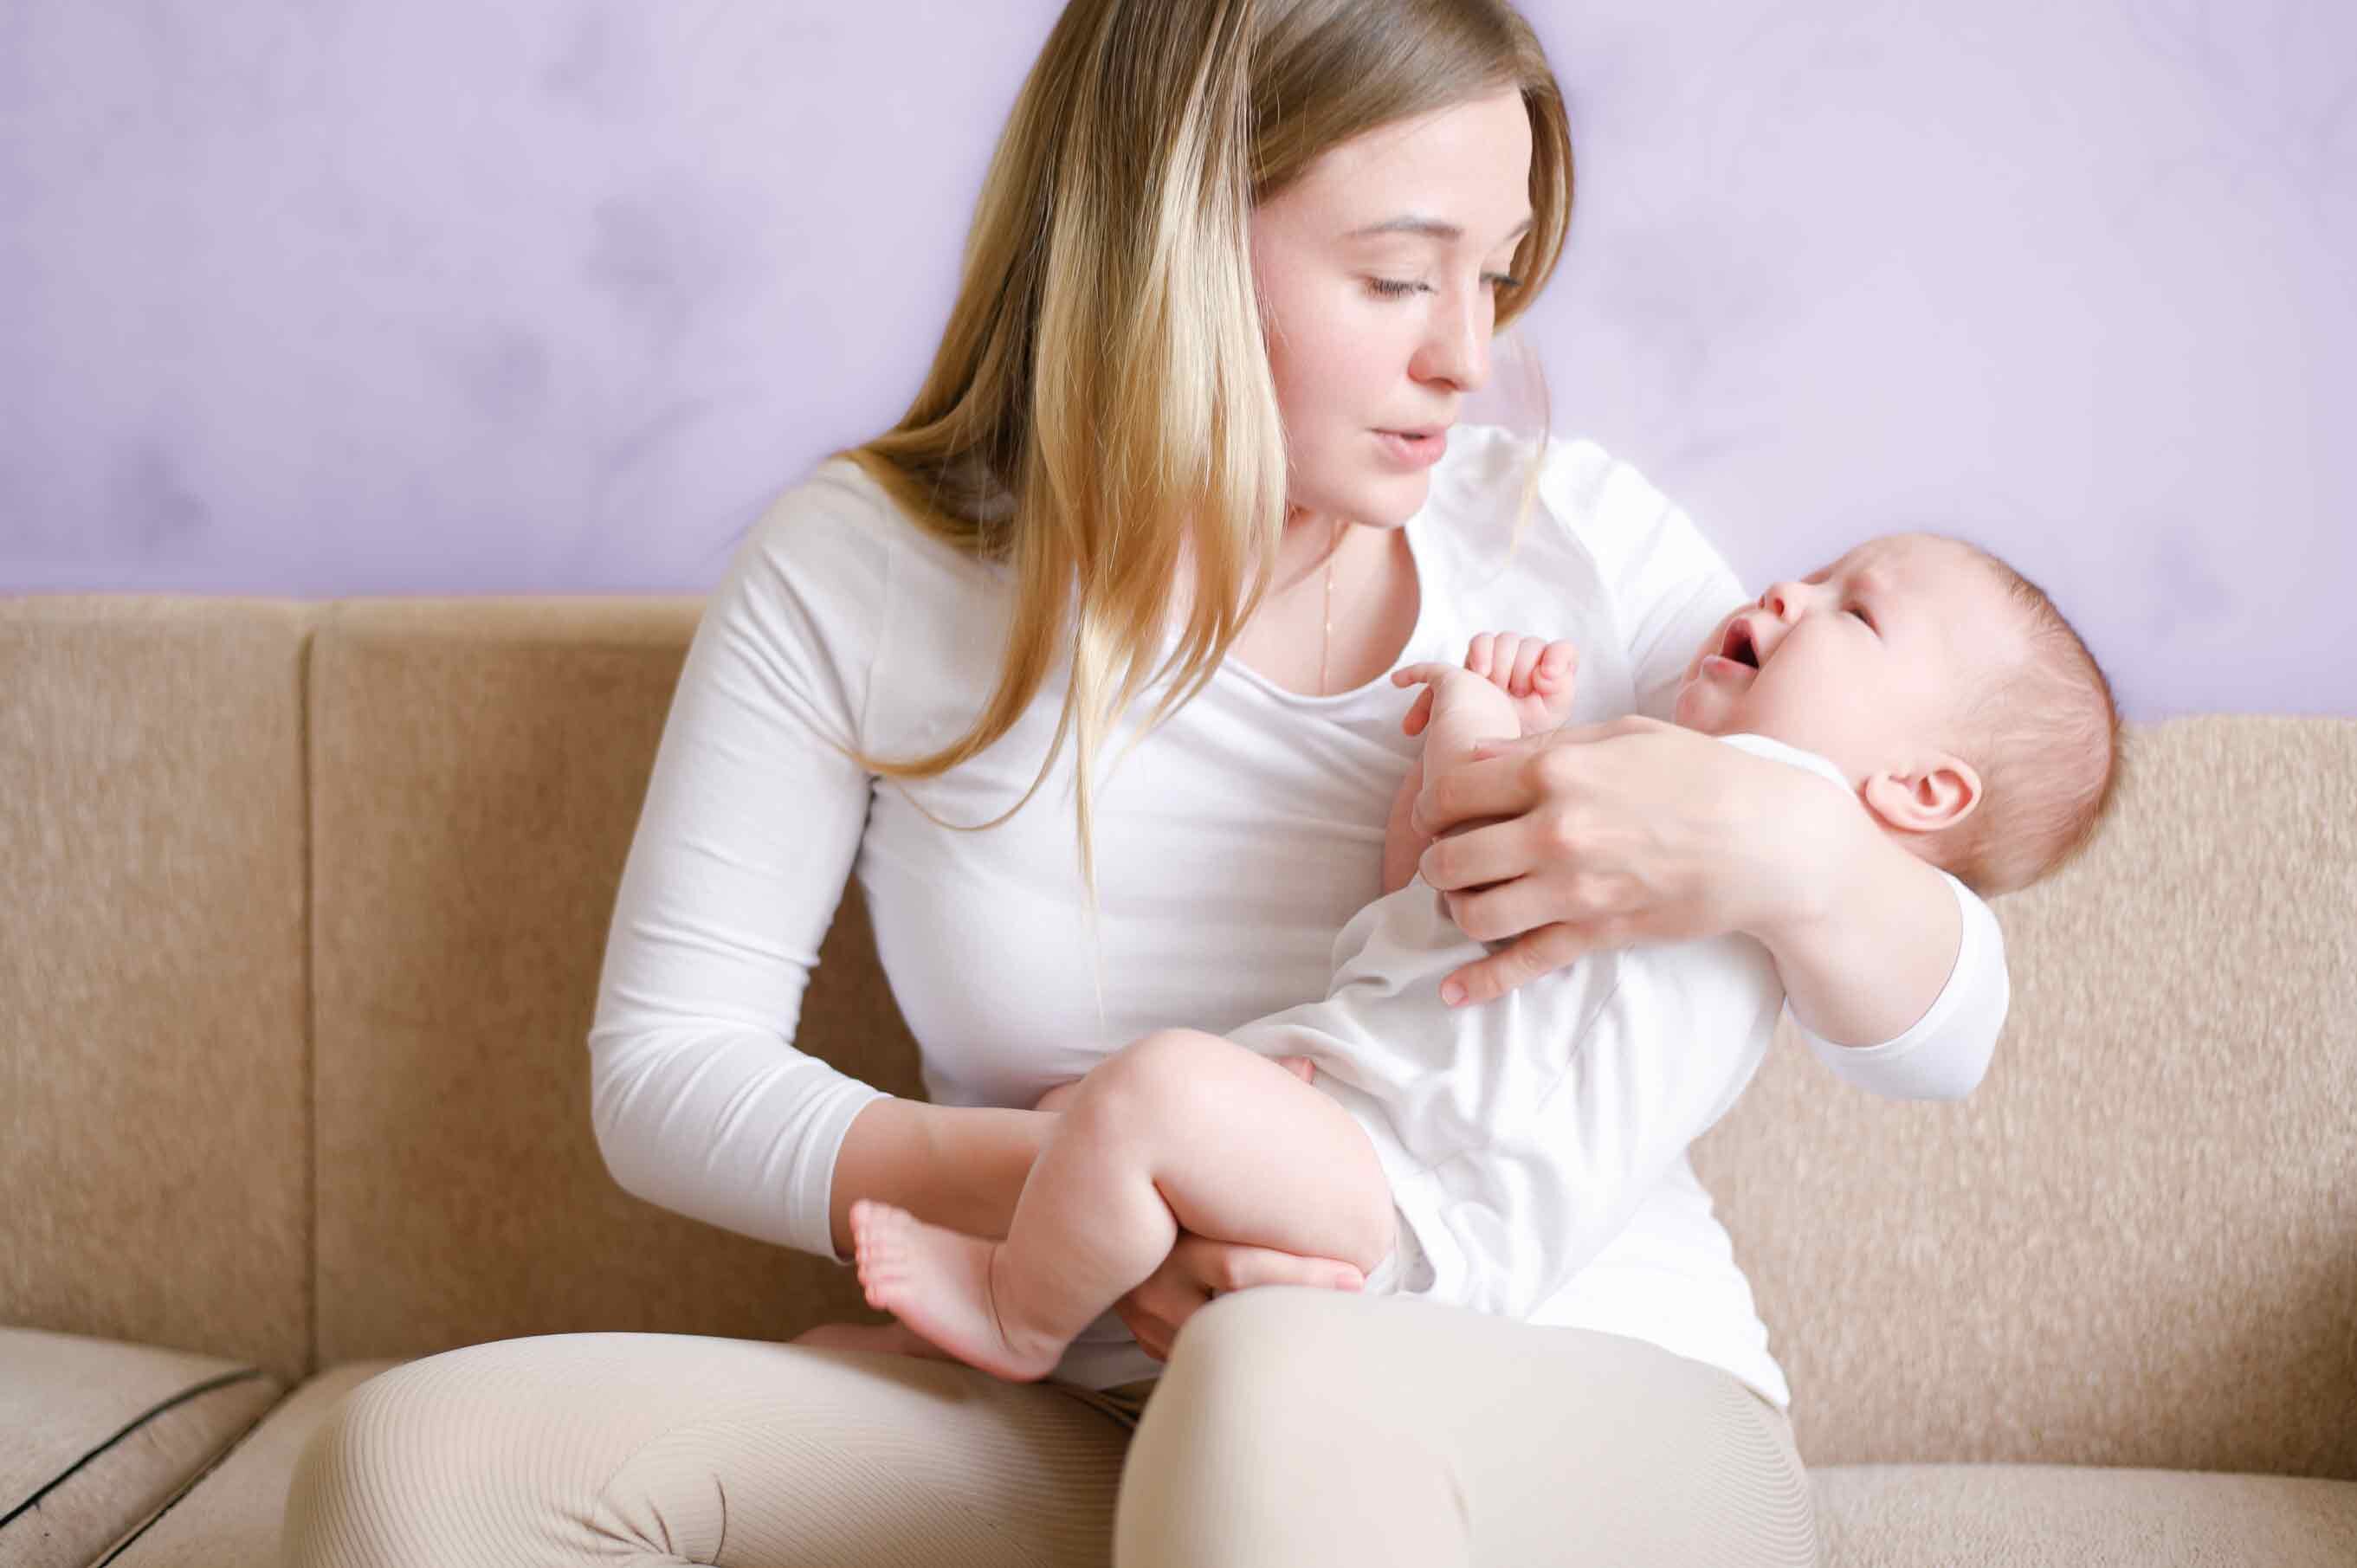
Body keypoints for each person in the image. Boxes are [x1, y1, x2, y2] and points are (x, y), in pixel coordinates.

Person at [279, 3, 2027, 1564]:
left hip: (1577, 1398)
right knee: (423, 1469)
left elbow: (1943, 1034)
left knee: (1272, 1388)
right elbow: (665, 1076)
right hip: (1084, 1397)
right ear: (1169, 248)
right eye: (1399, 275)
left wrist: (1793, 843)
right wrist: (1086, 1201)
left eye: (1492, 276)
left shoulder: (1580, 554)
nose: (1464, 356)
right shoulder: (863, 572)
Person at [831, 533, 2119, 1384]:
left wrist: (1498, 736)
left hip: (1430, 1202)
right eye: (1813, 572)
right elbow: (1436, 878)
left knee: (1145, 1096)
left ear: (1921, 785)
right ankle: (1011, 1298)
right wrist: (1479, 722)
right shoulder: (1638, 755)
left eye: (1856, 613)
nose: (1785, 591)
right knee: (1091, 1116)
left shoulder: (1781, 822)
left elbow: (1943, 1027)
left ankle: (1017, 1316)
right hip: (1340, 1116)